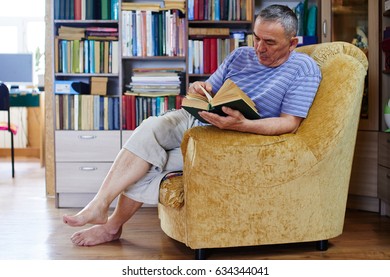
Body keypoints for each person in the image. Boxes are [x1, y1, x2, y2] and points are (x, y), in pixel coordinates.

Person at [63, 4, 322, 246]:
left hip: (235, 134)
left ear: (292, 43)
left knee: (152, 161)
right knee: (151, 126)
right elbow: (211, 90)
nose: (259, 48)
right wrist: (200, 88)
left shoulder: (304, 68)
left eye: (269, 42)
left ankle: (111, 226)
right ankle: (99, 204)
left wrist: (241, 125)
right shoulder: (240, 55)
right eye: (256, 38)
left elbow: (289, 123)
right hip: (199, 117)